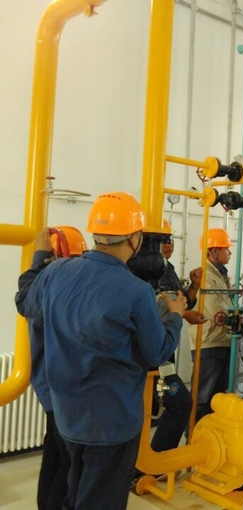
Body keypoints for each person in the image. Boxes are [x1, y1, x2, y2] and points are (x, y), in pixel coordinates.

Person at [16, 192, 186, 510]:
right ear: (135, 238)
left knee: (73, 494)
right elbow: (157, 353)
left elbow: (24, 301)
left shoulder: (56, 272)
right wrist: (174, 316)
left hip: (68, 418)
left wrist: (39, 258)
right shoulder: (136, 291)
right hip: (112, 426)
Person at [16, 226, 87, 510]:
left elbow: (25, 289)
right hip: (62, 390)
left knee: (55, 455)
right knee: (67, 463)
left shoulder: (40, 286)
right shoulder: (59, 291)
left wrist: (39, 258)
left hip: (49, 387)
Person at [147, 218, 203, 453]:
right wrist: (182, 315)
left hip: (163, 354)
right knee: (177, 403)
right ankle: (150, 462)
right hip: (148, 355)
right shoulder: (140, 272)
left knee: (178, 403)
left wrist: (194, 286)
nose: (169, 244)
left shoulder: (166, 269)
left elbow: (181, 302)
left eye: (170, 239)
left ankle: (155, 460)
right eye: (162, 240)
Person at [188, 228, 234, 422]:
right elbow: (217, 308)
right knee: (202, 397)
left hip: (220, 341)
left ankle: (209, 433)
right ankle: (193, 433)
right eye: (226, 249)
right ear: (214, 251)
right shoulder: (206, 275)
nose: (230, 253)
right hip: (208, 343)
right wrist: (236, 316)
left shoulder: (219, 274)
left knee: (216, 397)